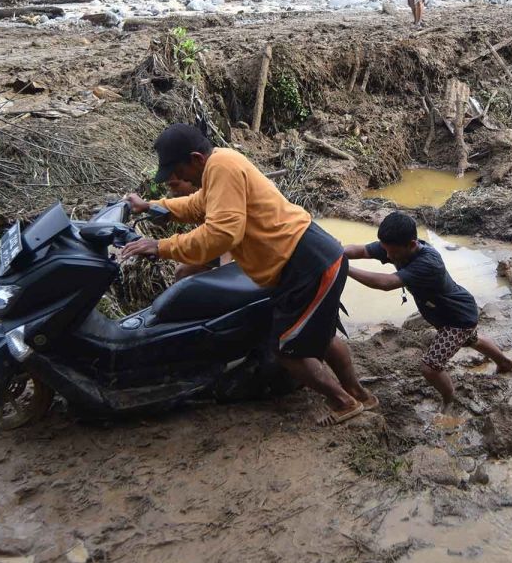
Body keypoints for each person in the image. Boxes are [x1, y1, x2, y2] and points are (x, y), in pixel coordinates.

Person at [120, 124, 377, 426]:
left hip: (308, 264)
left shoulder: (221, 168)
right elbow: (197, 205)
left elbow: (221, 235)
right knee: (322, 336)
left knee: (286, 350)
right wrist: (151, 207)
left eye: (179, 171)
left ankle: (344, 402)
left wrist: (162, 246)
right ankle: (359, 395)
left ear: (195, 159)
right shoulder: (220, 164)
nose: (179, 180)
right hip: (305, 260)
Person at [343, 212, 512, 407]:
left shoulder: (428, 263)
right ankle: (505, 363)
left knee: (430, 368)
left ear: (412, 244)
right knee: (471, 339)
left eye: (392, 253)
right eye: (385, 250)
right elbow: (362, 250)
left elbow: (386, 283)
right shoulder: (396, 246)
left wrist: (345, 268)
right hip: (447, 312)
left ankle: (449, 400)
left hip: (457, 319)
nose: (388, 256)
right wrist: (337, 253)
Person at [163, 177, 231, 281]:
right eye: (170, 187)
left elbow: (226, 237)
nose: (173, 192)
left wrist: (225, 273)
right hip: (218, 246)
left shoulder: (215, 193)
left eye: (175, 185)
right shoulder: (196, 202)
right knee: (182, 272)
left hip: (242, 247)